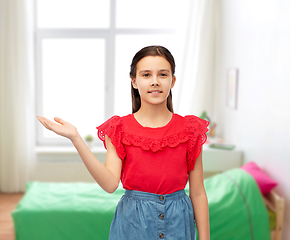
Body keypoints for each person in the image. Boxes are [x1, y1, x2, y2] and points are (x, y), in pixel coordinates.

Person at [37, 45, 210, 240]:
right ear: (134, 82)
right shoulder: (119, 128)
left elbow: (197, 193)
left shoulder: (190, 129)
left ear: (173, 81)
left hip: (179, 224)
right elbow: (110, 183)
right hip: (132, 225)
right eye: (146, 75)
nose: (155, 82)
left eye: (162, 74)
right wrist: (76, 138)